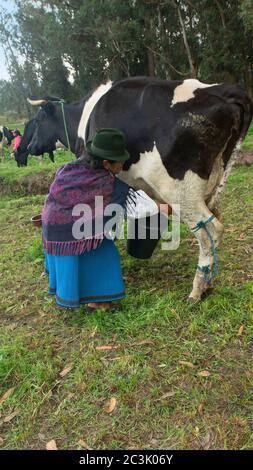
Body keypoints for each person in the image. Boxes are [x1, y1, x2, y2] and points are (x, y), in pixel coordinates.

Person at [42, 128, 166, 311]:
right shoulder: (108, 185)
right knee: (105, 250)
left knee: (94, 234)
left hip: (51, 231)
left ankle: (79, 291)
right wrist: (169, 208)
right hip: (70, 235)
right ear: (107, 163)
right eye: (121, 162)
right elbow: (141, 209)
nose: (123, 165)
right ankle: (99, 301)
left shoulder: (69, 168)